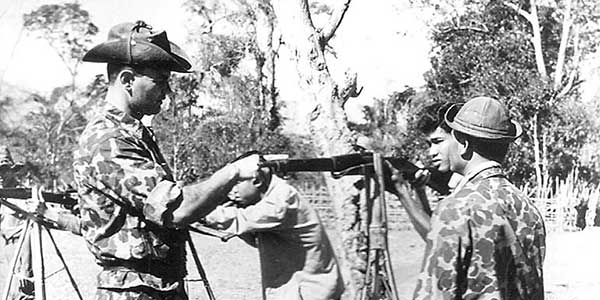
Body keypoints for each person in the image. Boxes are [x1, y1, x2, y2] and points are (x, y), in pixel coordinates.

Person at [74, 21, 260, 300]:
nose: (167, 92)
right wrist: (233, 172)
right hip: (133, 291)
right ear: (127, 80)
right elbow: (177, 209)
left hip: (156, 286)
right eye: (160, 82)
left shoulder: (134, 136)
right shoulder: (109, 141)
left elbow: (169, 201)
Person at [391, 97, 546, 299]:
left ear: (463, 144)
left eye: (440, 141)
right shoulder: (528, 208)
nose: (432, 151)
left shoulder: (456, 208)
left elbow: (434, 293)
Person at [202, 154, 344, 300]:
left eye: (235, 184)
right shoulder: (270, 196)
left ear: (257, 180)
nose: (231, 191)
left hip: (311, 292)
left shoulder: (282, 199)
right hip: (297, 288)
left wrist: (200, 211)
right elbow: (255, 238)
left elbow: (244, 219)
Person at [389, 102, 460, 240]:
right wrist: (420, 190)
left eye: (438, 141)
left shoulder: (469, 187)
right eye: (429, 144)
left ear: (462, 139)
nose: (431, 152)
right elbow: (433, 229)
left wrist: (402, 192)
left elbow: (439, 242)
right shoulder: (456, 184)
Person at [0, 146, 34, 300]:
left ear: (12, 170)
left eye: (3, 170)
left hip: (18, 254)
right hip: (2, 254)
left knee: (20, 295)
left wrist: (25, 271)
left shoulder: (21, 195)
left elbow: (28, 233)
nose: (0, 175)